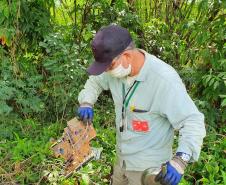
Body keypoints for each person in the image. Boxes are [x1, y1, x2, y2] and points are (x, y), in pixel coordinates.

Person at [77, 24, 206, 185]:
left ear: (127, 56)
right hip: (122, 161)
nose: (107, 71)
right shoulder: (114, 69)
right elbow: (95, 81)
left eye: (109, 66)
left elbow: (192, 120)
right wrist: (87, 101)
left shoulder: (163, 80)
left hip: (149, 171)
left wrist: (181, 159)